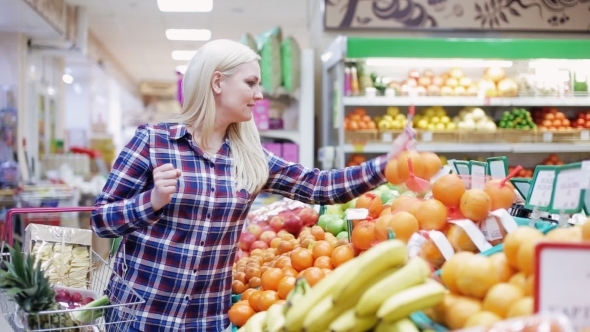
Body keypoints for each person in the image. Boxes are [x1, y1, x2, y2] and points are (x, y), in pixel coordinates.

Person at [90, 39, 415, 331]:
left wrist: (384, 164)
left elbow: (319, 186)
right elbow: (101, 221)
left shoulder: (250, 159)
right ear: (218, 82)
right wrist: (153, 201)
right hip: (140, 317)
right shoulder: (154, 142)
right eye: (251, 83)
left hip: (205, 320)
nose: (259, 95)